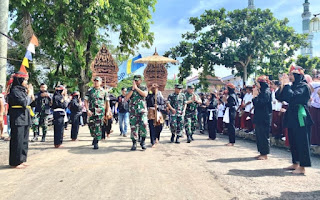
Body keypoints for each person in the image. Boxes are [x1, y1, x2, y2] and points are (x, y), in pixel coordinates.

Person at [276, 66, 314, 174]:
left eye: (292, 75)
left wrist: (287, 85)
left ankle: (303, 167)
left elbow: (293, 97)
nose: (290, 77)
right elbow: (279, 97)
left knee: (302, 141)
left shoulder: (304, 86)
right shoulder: (292, 86)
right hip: (292, 115)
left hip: (300, 115)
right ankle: (295, 162)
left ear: (298, 75)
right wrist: (283, 85)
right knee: (293, 141)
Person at [7, 70, 34, 168]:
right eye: (25, 80)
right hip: (17, 116)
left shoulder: (23, 90)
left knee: (24, 140)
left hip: (25, 116)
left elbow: (31, 102)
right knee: (17, 140)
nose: (26, 82)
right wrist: (29, 94)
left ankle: (22, 159)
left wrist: (31, 94)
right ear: (20, 79)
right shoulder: (15, 90)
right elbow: (23, 102)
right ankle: (15, 161)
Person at [85, 77, 110, 150]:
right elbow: (86, 101)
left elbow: (107, 102)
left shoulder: (104, 92)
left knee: (98, 126)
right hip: (91, 111)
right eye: (95, 81)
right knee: (91, 125)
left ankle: (96, 141)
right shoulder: (90, 91)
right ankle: (94, 136)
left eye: (97, 81)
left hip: (100, 111)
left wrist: (107, 111)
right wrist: (87, 110)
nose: (96, 82)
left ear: (100, 82)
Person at [125, 75, 148, 150]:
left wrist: (137, 88)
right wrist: (132, 89)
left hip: (142, 110)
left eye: (137, 80)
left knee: (144, 125)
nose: (136, 82)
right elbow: (126, 98)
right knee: (133, 127)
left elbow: (145, 94)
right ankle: (134, 143)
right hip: (133, 111)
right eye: (135, 80)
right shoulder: (129, 88)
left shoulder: (143, 87)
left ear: (141, 81)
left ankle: (143, 141)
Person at [252, 76, 272, 160]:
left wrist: (254, 96)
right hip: (260, 116)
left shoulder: (266, 92)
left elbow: (260, 103)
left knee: (263, 135)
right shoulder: (262, 92)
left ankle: (265, 153)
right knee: (259, 135)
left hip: (264, 117)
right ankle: (261, 152)